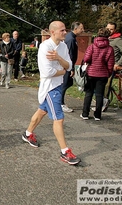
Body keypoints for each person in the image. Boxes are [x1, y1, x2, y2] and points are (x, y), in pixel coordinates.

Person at [21, 21, 81, 165]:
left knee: (42, 111)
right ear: (53, 32)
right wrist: (62, 70)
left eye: (65, 30)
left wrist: (59, 59)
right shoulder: (44, 47)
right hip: (49, 87)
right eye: (62, 30)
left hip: (58, 84)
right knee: (59, 119)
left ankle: (28, 134)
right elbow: (47, 72)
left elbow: (69, 65)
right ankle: (65, 151)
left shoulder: (63, 46)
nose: (65, 32)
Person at [80, 28, 114, 121]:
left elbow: (86, 59)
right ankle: (98, 115)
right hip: (103, 74)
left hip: (91, 73)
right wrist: (108, 73)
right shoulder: (110, 49)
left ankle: (85, 114)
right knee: (99, 95)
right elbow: (110, 64)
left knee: (89, 93)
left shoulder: (91, 46)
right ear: (108, 36)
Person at [101, 22, 122, 111]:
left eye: (111, 29)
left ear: (115, 30)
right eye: (108, 28)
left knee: (106, 84)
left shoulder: (117, 39)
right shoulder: (105, 38)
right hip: (104, 65)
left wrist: (118, 63)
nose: (109, 31)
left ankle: (104, 104)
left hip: (112, 66)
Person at [61, 22, 84, 113]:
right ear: (76, 29)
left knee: (68, 83)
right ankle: (60, 104)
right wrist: (71, 68)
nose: (83, 30)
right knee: (65, 84)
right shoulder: (70, 39)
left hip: (68, 65)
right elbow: (69, 55)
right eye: (81, 28)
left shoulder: (72, 37)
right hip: (67, 66)